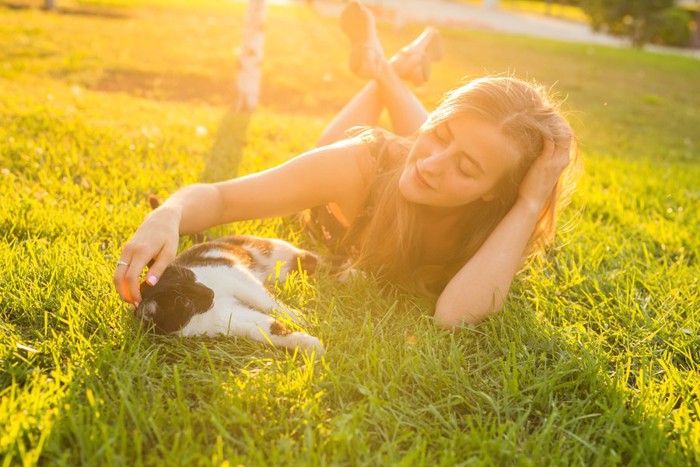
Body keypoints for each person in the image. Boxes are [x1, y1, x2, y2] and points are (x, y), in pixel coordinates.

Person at [114, 2, 581, 328]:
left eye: (467, 169)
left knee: (425, 151)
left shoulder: (506, 211)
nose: (434, 163)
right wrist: (168, 214)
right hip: (360, 174)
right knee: (350, 146)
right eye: (439, 130)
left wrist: (530, 204)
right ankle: (387, 68)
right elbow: (221, 197)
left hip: (430, 169)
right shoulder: (357, 165)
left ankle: (391, 66)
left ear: (495, 192)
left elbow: (455, 317)